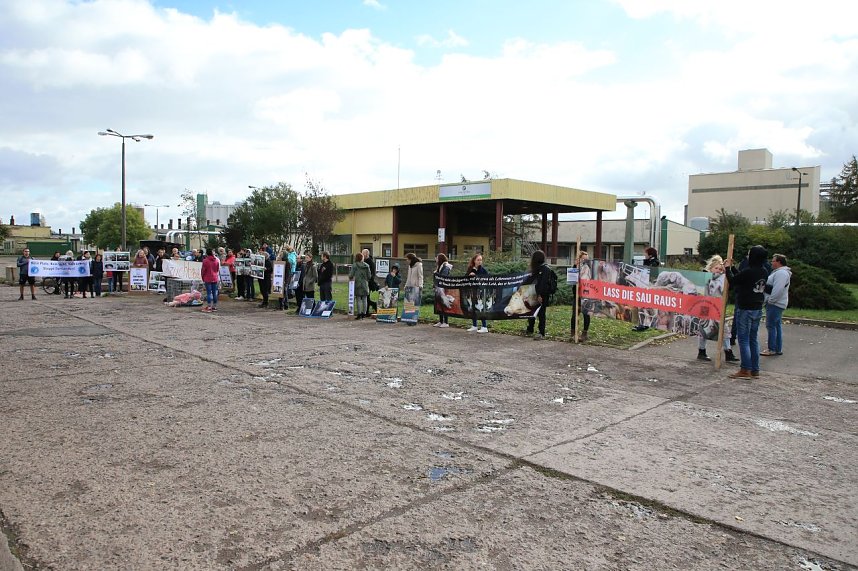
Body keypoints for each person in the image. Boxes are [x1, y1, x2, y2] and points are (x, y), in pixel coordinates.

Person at [724, 245, 769, 379]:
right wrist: (732, 268)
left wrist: (727, 268)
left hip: (745, 308)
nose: (748, 256)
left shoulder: (749, 271)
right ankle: (755, 369)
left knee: (743, 340)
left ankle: (745, 369)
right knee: (752, 339)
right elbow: (740, 277)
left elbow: (733, 280)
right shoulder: (764, 271)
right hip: (757, 308)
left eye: (749, 254)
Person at [696, 255, 736, 362]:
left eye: (720, 269)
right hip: (706, 307)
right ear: (711, 268)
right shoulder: (705, 276)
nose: (718, 271)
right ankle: (701, 351)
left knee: (724, 330)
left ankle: (728, 352)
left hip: (718, 307)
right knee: (704, 329)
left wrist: (728, 269)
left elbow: (731, 286)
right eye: (716, 268)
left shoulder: (723, 279)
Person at [761, 254, 791, 357]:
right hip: (777, 303)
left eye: (773, 261)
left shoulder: (781, 273)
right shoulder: (780, 272)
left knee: (771, 325)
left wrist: (771, 300)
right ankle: (777, 348)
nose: (771, 262)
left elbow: (778, 289)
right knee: (776, 325)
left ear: (779, 262)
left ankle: (772, 348)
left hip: (775, 304)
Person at [525, 250, 552, 340]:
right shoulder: (536, 269)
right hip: (533, 293)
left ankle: (541, 332)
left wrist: (539, 295)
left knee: (541, 313)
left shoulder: (545, 269)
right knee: (532, 311)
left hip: (542, 295)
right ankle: (530, 328)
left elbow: (543, 283)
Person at [465, 253, 489, 333]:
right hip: (472, 291)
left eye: (481, 260)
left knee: (481, 308)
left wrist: (476, 275)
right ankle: (474, 325)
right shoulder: (470, 268)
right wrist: (470, 275)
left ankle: (484, 326)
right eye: (478, 260)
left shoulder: (483, 270)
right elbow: (465, 279)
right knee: (473, 308)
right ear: (474, 261)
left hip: (481, 292)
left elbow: (487, 279)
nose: (480, 262)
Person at [571, 251, 591, 342]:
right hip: (577, 294)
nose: (585, 261)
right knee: (575, 314)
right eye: (583, 259)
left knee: (586, 314)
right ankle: (573, 333)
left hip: (586, 294)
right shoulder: (576, 267)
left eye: (586, 259)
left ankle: (585, 333)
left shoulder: (588, 268)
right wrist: (575, 266)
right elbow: (571, 280)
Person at [349, 252, 371, 319]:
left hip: (357, 284)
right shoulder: (366, 266)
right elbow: (369, 276)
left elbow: (351, 275)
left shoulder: (354, 265)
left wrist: (350, 278)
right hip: (365, 284)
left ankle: (359, 314)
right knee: (365, 299)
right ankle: (364, 314)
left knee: (358, 299)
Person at [434, 253, 453, 328]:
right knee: (439, 304)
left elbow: (443, 276)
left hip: (444, 287)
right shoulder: (440, 267)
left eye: (437, 258)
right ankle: (441, 320)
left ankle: (446, 321)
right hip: (438, 287)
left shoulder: (446, 267)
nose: (436, 259)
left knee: (444, 303)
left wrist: (437, 274)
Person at [404, 253, 424, 326]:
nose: (406, 260)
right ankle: (409, 319)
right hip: (410, 287)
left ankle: (414, 319)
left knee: (415, 304)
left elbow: (420, 276)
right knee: (409, 303)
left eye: (407, 259)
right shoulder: (410, 266)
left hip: (416, 287)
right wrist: (406, 285)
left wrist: (420, 286)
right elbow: (408, 277)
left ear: (411, 259)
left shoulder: (419, 265)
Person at [201, 248, 220, 312]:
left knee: (209, 293)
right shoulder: (217, 260)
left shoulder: (205, 260)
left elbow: (203, 270)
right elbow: (217, 269)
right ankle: (214, 306)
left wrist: (202, 277)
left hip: (207, 277)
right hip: (215, 277)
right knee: (214, 292)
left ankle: (209, 306)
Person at [362, 249, 378, 316]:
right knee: (365, 297)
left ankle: (369, 309)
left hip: (369, 282)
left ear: (366, 254)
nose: (362, 254)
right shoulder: (363, 261)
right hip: (364, 282)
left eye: (363, 253)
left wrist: (368, 279)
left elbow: (373, 274)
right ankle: (368, 310)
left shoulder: (370, 262)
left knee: (367, 297)